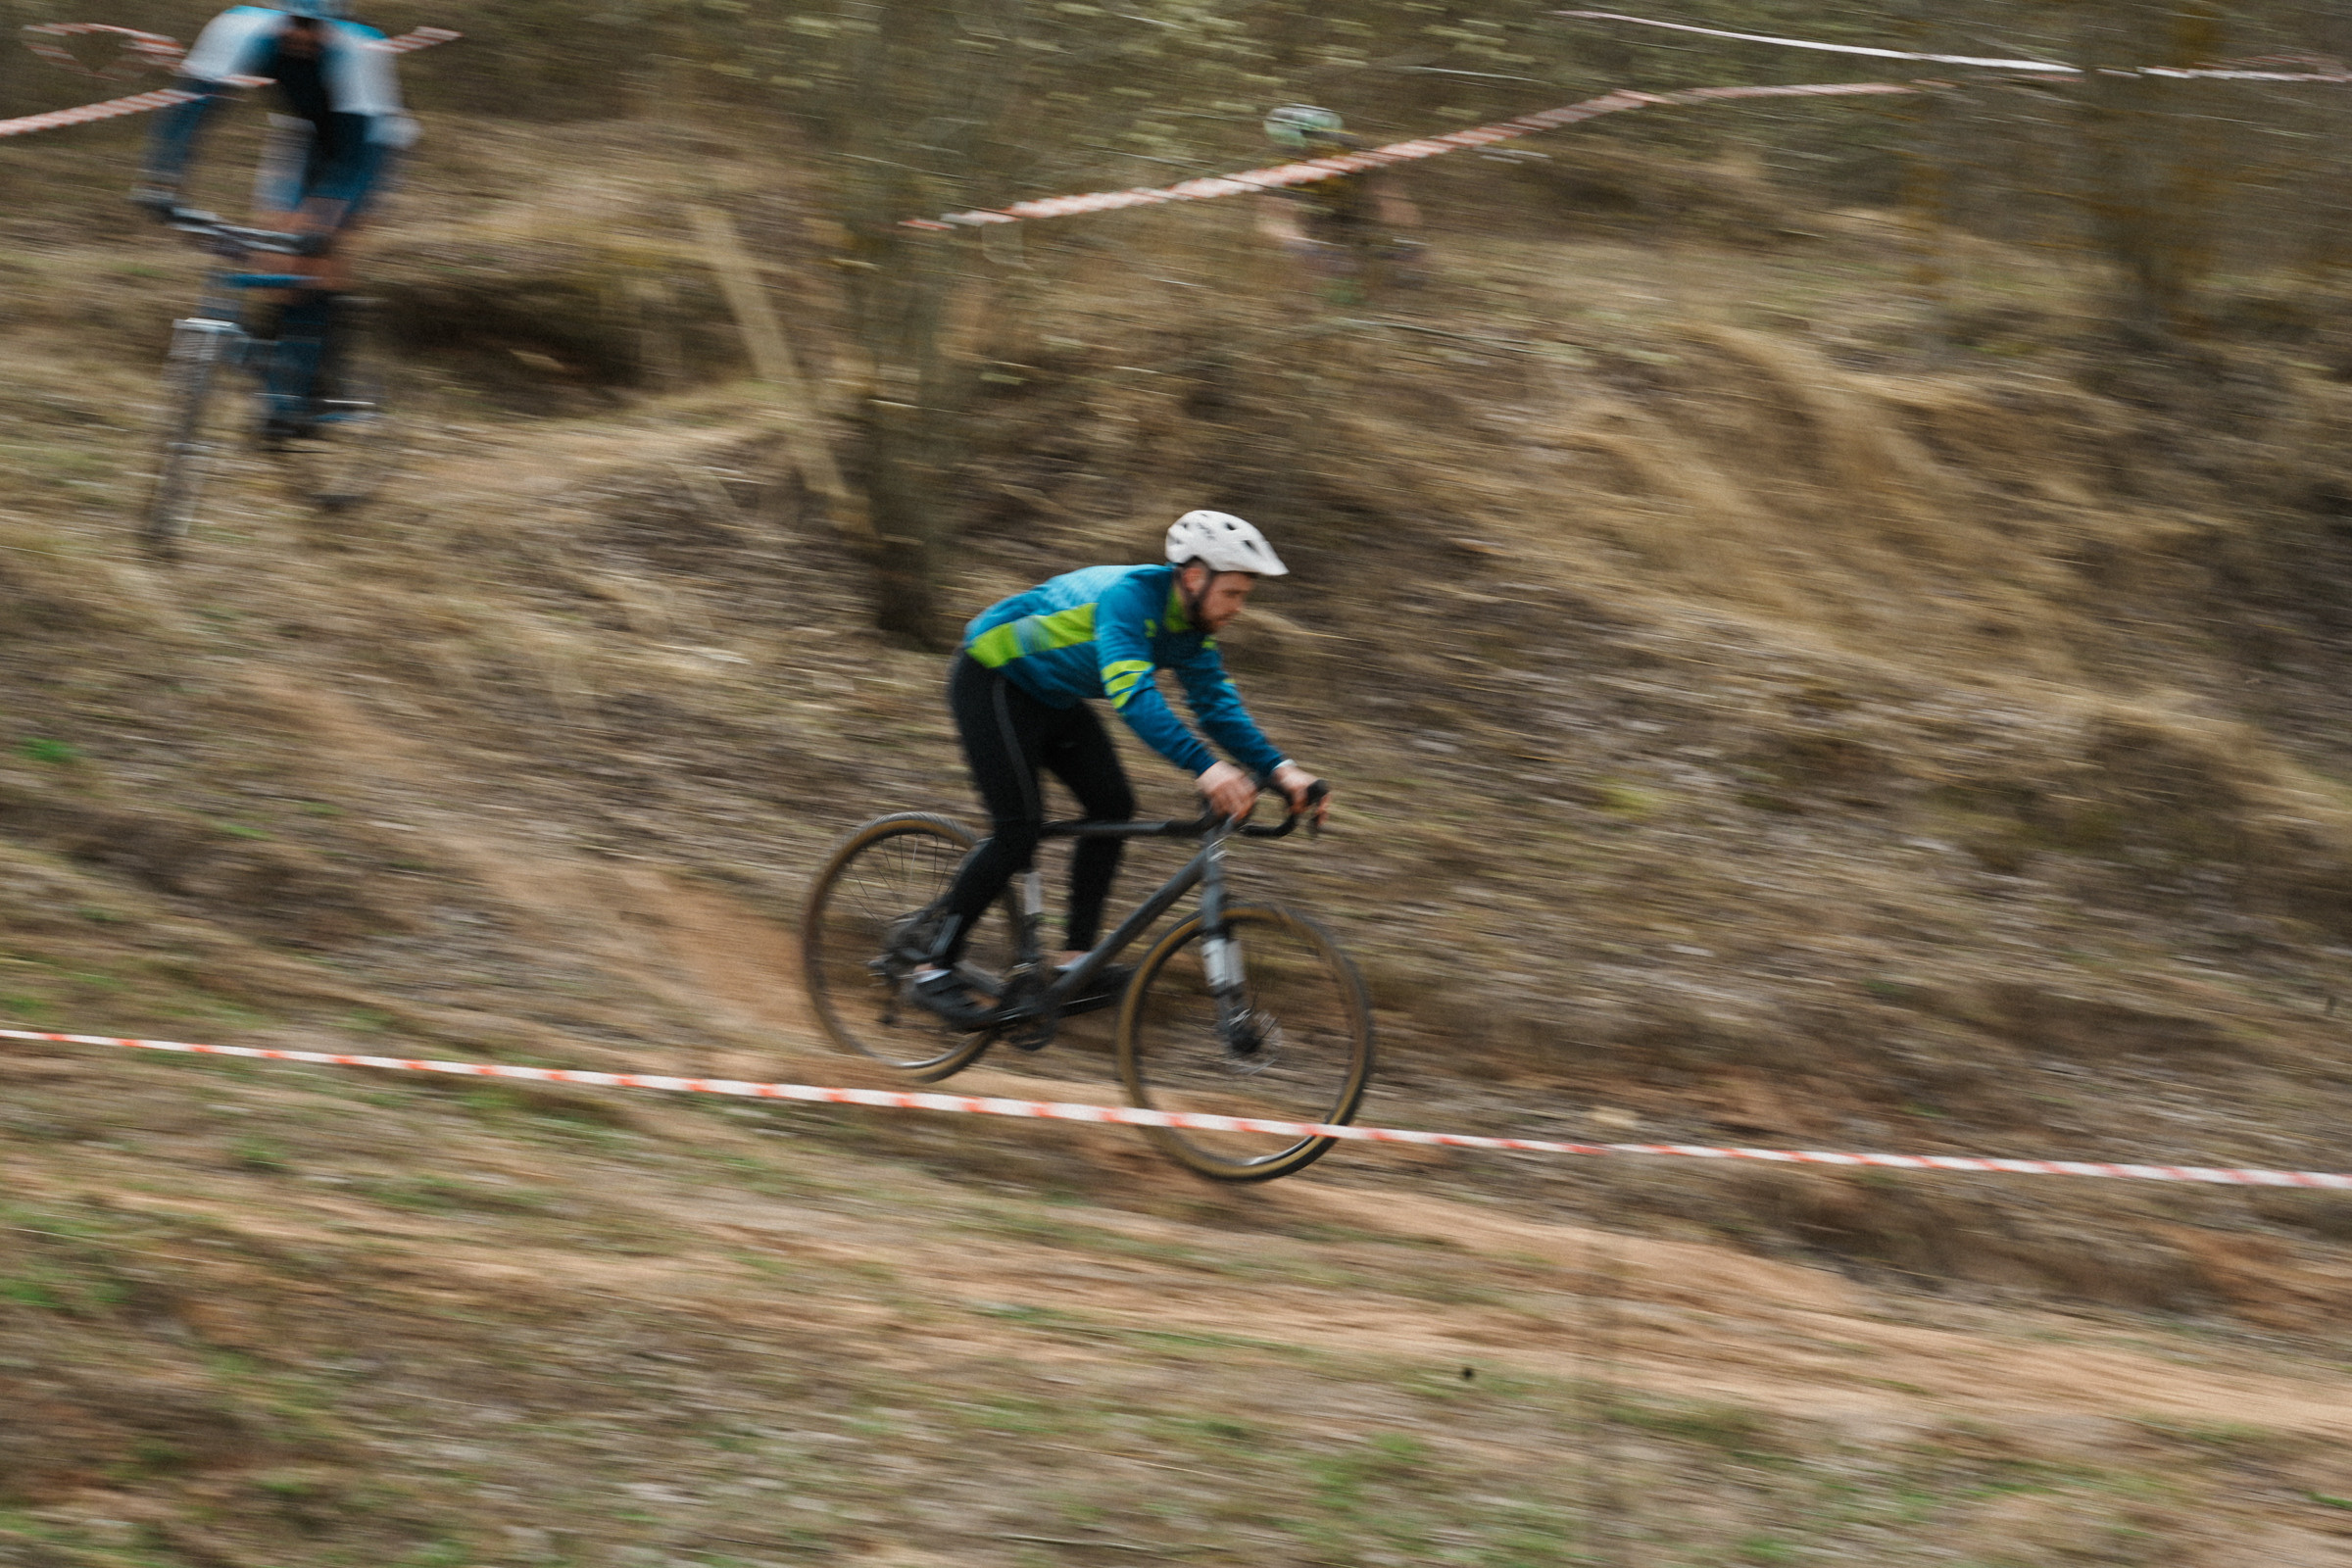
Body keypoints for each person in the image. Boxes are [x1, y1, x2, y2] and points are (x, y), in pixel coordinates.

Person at [911, 512, 1331, 1030]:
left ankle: (1075, 962)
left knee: (1112, 804)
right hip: (993, 677)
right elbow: (1132, 695)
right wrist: (1206, 768)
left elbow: (1217, 708)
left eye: (1244, 596)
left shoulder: (1191, 630)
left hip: (1051, 694)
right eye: (1234, 594)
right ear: (1195, 578)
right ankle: (934, 965)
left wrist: (1281, 769)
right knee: (1018, 830)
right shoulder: (1129, 599)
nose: (1239, 609)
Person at [130, 1, 417, 442]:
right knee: (274, 251)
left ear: (334, 25)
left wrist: (325, 223)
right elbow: (189, 109)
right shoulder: (238, 28)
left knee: (320, 249)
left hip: (373, 138)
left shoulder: (357, 52)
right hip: (303, 134)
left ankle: (324, 386)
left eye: (315, 27)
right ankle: (282, 375)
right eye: (296, 23)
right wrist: (161, 180)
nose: (303, 35)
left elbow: (358, 158)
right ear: (281, 15)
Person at [1255, 105, 1422, 304]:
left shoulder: (1351, 147)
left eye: (1319, 143)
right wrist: (1302, 246)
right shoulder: (1281, 161)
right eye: (1300, 148)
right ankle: (1336, 296)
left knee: (1388, 248)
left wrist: (1402, 231)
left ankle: (1405, 280)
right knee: (1329, 259)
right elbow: (1271, 217)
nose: (1310, 152)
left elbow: (1386, 193)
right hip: (1318, 209)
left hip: (1356, 205)